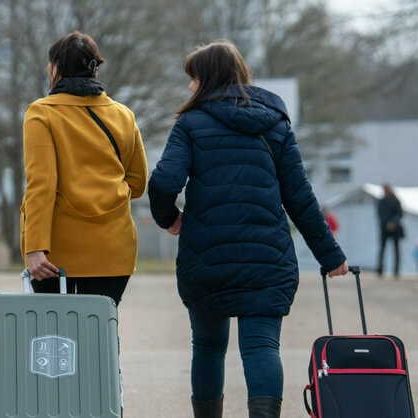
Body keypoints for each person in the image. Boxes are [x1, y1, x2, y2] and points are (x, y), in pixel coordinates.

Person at [147, 40, 347, 418]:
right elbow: (299, 197)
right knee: (260, 348)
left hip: (207, 258)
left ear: (206, 79)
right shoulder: (275, 124)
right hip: (266, 258)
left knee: (207, 347)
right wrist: (330, 254)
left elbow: (162, 182)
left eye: (192, 79)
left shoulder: (190, 124)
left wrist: (170, 218)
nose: (190, 88)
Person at [21, 31, 148, 306]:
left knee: (55, 340)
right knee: (99, 337)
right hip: (113, 248)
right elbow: (137, 183)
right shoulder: (124, 115)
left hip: (55, 253)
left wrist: (34, 246)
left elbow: (42, 184)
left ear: (57, 68)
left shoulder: (41, 113)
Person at [377, 183, 404, 277]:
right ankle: (380, 269)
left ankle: (396, 271)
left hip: (395, 229)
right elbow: (379, 214)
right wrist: (385, 224)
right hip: (384, 229)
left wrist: (393, 223)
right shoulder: (381, 201)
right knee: (382, 249)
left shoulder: (395, 201)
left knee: (396, 250)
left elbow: (399, 213)